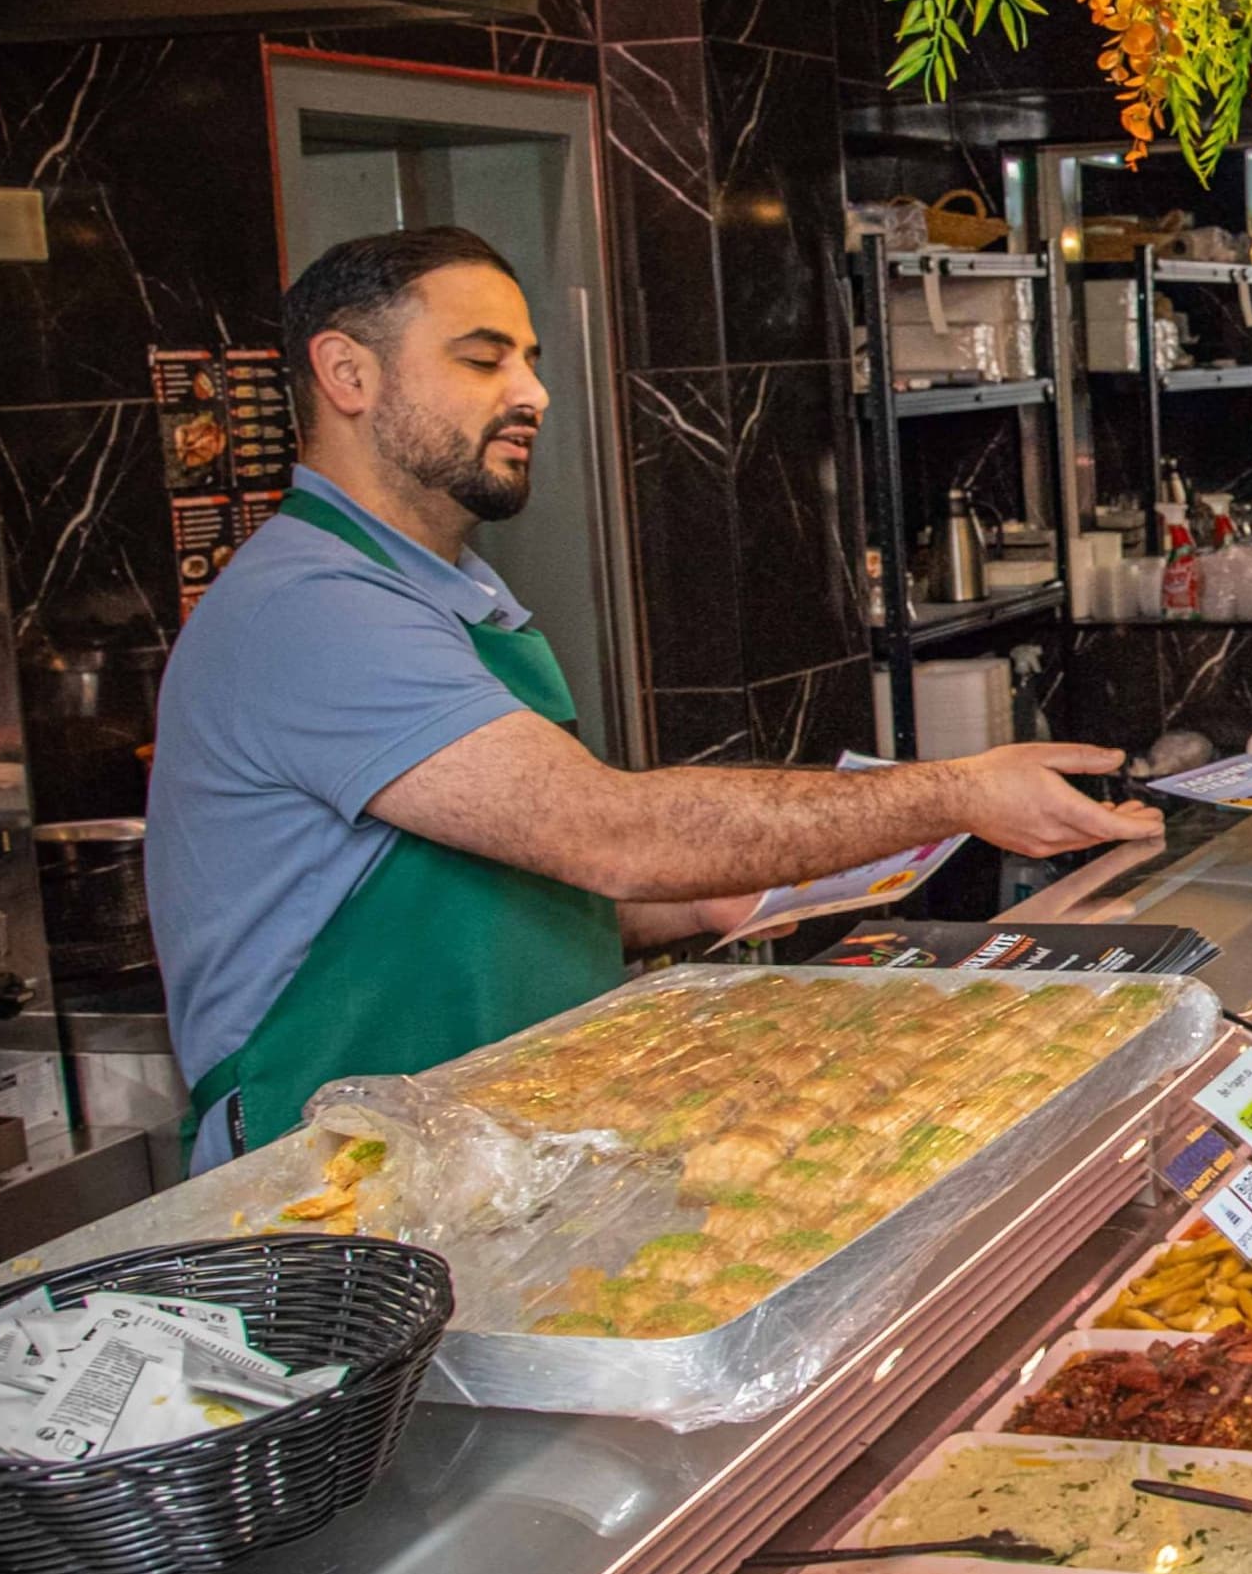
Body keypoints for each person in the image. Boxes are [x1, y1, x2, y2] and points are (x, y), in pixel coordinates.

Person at [147, 226, 1162, 1165]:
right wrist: (956, 793)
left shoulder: (451, 594)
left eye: (533, 359)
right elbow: (609, 834)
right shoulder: (311, 608)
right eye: (483, 356)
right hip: (339, 1177)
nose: (533, 392)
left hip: (485, 1139)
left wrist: (724, 893)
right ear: (347, 373)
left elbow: (489, 897)